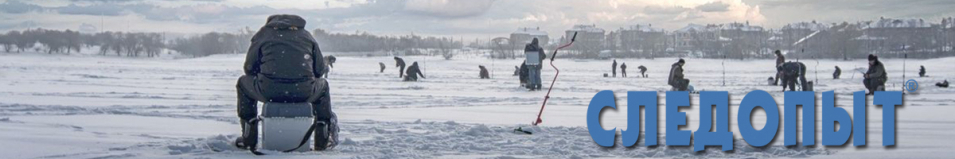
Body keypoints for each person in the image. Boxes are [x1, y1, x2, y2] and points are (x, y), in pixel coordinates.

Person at [234, 14, 338, 151]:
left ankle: (249, 137)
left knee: (243, 83)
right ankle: (322, 139)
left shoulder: (263, 34)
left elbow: (249, 68)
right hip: (304, 92)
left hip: (268, 91)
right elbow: (319, 71)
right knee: (323, 86)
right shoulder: (307, 36)